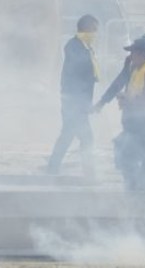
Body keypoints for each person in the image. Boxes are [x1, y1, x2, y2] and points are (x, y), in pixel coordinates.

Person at [97, 37, 145, 191]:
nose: (130, 56)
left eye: (132, 53)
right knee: (127, 159)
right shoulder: (135, 69)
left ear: (141, 54)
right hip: (133, 125)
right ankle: (134, 192)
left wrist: (129, 101)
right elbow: (122, 85)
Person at [47, 14, 99, 177]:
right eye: (94, 29)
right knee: (85, 138)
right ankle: (88, 172)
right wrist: (82, 103)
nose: (96, 34)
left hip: (78, 102)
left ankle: (54, 168)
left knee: (70, 135)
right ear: (86, 29)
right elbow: (77, 74)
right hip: (74, 102)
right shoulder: (74, 46)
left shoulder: (84, 47)